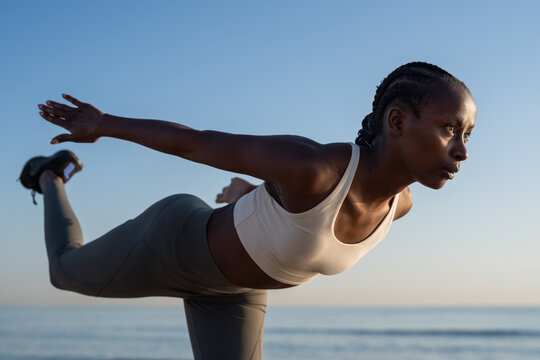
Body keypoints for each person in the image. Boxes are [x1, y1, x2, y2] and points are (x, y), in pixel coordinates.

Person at [20, 61, 476, 360]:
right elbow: (194, 143)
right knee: (63, 271)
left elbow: (289, 227)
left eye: (468, 135)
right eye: (449, 129)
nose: (461, 151)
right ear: (397, 121)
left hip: (234, 293)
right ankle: (51, 176)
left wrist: (249, 195)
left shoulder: (401, 206)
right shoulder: (312, 167)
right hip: (173, 245)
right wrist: (103, 125)